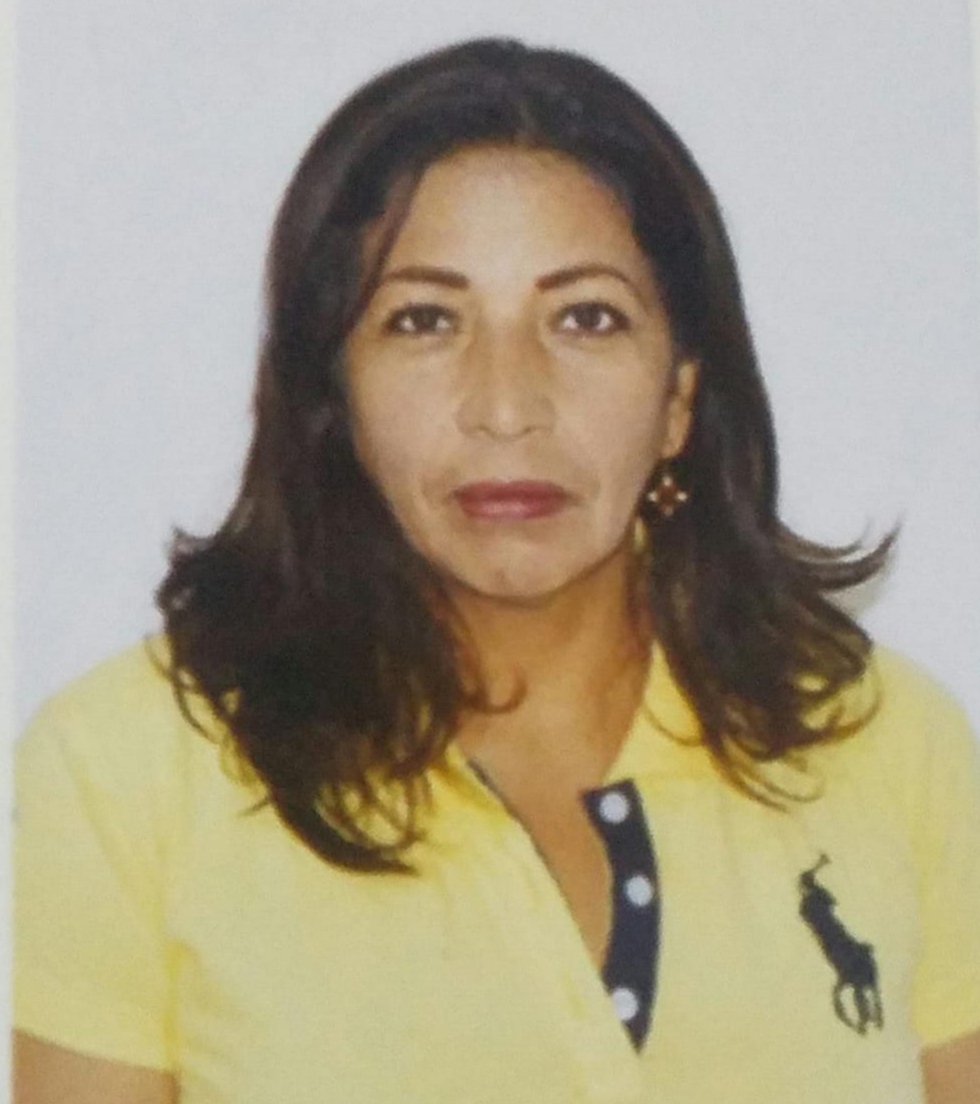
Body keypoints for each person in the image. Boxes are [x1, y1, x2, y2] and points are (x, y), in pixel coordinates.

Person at [13, 37, 980, 1104]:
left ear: (678, 400)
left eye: (585, 318)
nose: (507, 406)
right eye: (425, 321)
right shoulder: (134, 771)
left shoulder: (883, 741)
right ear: (333, 397)